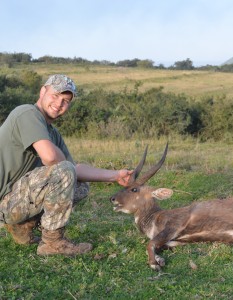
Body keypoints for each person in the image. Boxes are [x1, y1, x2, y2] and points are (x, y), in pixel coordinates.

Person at [0, 74, 133, 256]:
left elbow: (74, 170)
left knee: (80, 185)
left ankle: (23, 226)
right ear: (42, 91)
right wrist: (67, 169)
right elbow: (50, 158)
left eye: (66, 100)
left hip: (15, 201)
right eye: (55, 95)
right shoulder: (27, 113)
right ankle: (52, 243)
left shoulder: (52, 133)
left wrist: (116, 175)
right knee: (65, 172)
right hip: (4, 201)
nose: (59, 103)